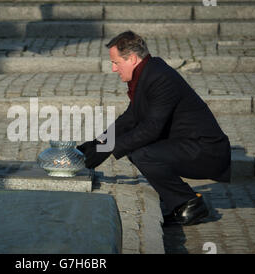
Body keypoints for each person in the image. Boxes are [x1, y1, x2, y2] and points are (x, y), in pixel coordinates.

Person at [77, 31, 231, 226]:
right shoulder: (148, 72)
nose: (114, 69)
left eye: (116, 62)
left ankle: (190, 204)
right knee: (138, 149)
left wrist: (107, 148)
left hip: (205, 150)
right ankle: (176, 199)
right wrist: (97, 144)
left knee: (143, 154)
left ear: (132, 59)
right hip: (187, 143)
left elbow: (151, 129)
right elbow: (131, 118)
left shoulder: (159, 78)